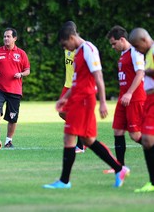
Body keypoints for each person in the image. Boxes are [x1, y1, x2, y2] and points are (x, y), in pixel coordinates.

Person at [43, 22, 129, 189]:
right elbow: (76, 82)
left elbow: (98, 77)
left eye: (64, 44)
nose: (64, 48)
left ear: (71, 37)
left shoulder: (89, 49)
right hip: (76, 100)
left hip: (84, 101)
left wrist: (103, 102)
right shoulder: (77, 53)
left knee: (69, 137)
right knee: (88, 140)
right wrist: (64, 98)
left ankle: (64, 181)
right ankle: (119, 168)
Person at [104, 25, 145, 174]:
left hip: (134, 98)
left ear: (122, 39)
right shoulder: (123, 54)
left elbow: (140, 73)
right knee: (118, 131)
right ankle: (119, 167)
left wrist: (129, 93)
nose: (113, 47)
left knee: (135, 135)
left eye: (114, 43)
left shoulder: (135, 52)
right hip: (124, 98)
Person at [0, 27, 30, 148]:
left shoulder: (21, 53)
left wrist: (21, 74)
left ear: (14, 38)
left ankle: (8, 141)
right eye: (4, 36)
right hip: (0, 87)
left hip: (15, 90)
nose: (6, 38)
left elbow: (27, 70)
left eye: (8, 36)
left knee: (12, 117)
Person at [129, 27, 154, 192]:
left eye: (137, 46)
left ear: (144, 40)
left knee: (147, 140)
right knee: (146, 141)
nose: (137, 50)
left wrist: (144, 71)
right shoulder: (148, 52)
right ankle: (152, 183)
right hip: (149, 100)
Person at [59, 21, 85, 153]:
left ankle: (80, 145)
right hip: (67, 85)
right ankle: (81, 133)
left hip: (76, 87)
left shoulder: (82, 48)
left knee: (74, 114)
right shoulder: (68, 48)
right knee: (62, 112)